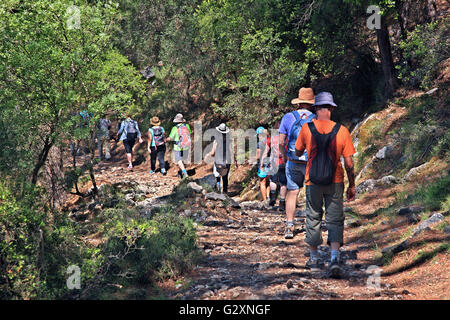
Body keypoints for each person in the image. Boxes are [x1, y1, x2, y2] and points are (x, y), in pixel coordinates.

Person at [294, 92, 356, 278]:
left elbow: (297, 152)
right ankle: (335, 258)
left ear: (315, 108)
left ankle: (314, 259)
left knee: (313, 216)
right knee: (335, 219)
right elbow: (350, 164)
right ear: (331, 108)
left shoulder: (306, 128)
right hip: (335, 181)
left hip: (312, 181)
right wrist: (352, 185)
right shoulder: (342, 130)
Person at [279, 87, 316, 239]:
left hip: (293, 160)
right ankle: (312, 226)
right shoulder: (316, 118)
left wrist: (285, 157)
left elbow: (281, 141)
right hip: (310, 162)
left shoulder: (288, 117)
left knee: (292, 193)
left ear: (299, 102)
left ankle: (289, 225)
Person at [261, 121, 287, 210]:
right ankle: (282, 202)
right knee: (283, 183)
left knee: (273, 180)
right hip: (284, 162)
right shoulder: (286, 138)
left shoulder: (270, 139)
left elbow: (266, 151)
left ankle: (272, 198)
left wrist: (262, 162)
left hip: (273, 163)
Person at [206, 123, 233, 194]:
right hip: (227, 162)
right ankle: (225, 192)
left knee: (217, 176)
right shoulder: (229, 140)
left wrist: (209, 155)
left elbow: (212, 153)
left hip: (218, 162)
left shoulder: (216, 141)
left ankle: (218, 191)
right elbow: (231, 152)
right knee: (225, 177)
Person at [166, 113, 191, 179]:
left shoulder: (175, 128)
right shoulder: (187, 126)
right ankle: (180, 173)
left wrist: (165, 139)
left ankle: (184, 172)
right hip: (186, 146)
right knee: (182, 160)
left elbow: (170, 138)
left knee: (179, 160)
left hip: (178, 147)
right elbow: (189, 134)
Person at [256, 127, 270, 203]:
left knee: (262, 182)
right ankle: (268, 197)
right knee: (268, 181)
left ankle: (265, 200)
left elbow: (258, 156)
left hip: (263, 164)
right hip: (271, 163)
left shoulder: (259, 144)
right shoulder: (269, 141)